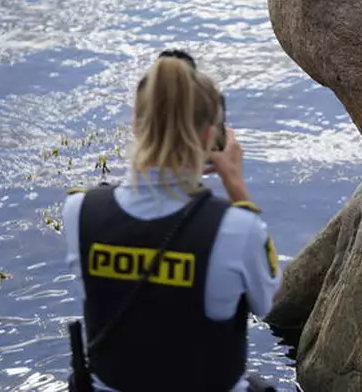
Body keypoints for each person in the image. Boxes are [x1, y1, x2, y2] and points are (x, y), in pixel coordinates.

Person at [61, 50, 281, 391]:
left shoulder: (80, 213)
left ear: (136, 127)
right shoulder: (236, 229)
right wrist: (235, 184)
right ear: (210, 137)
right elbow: (269, 301)